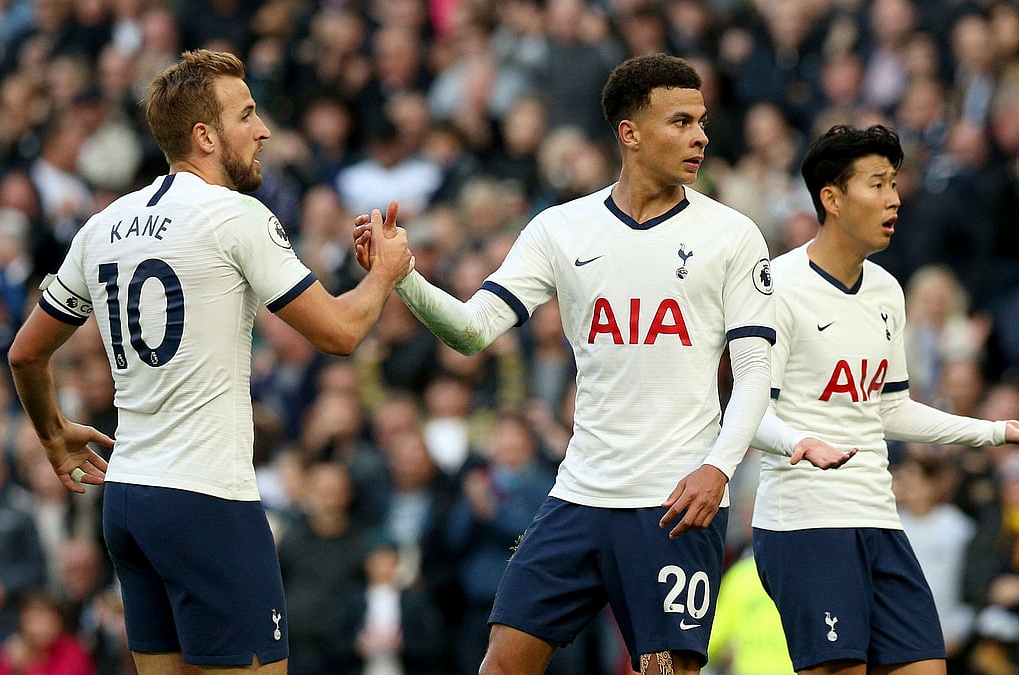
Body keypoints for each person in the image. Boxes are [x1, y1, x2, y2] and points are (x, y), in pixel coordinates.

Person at [354, 53, 852, 675]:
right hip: (580, 493)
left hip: (675, 500)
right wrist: (402, 277)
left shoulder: (732, 235)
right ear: (630, 133)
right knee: (502, 665)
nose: (700, 136)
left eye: (701, 121)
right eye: (680, 122)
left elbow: (754, 374)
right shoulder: (561, 229)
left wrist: (718, 470)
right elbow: (472, 331)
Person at [7, 49, 415, 675]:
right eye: (246, 114)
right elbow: (340, 333)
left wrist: (52, 435)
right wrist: (385, 274)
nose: (264, 130)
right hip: (207, 501)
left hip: (129, 503)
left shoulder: (103, 225)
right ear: (205, 136)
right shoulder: (236, 215)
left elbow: (25, 353)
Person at [748, 124, 1019, 675]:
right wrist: (801, 442)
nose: (894, 199)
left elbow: (891, 408)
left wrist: (995, 431)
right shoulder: (778, 286)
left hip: (878, 515)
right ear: (832, 198)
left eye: (894, 183)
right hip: (806, 523)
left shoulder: (886, 289)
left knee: (928, 666)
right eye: (877, 184)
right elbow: (749, 412)